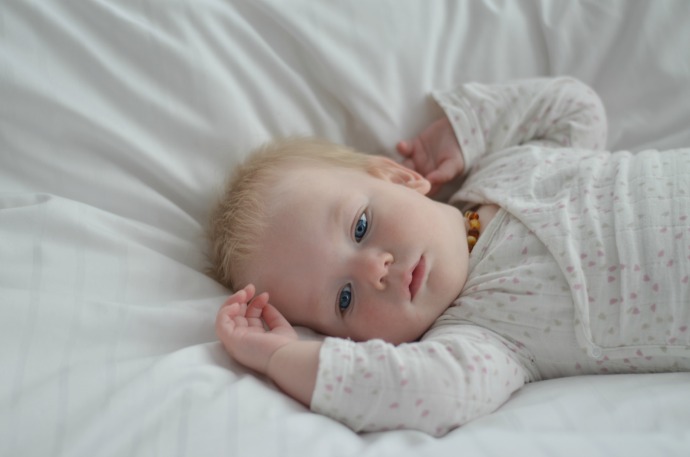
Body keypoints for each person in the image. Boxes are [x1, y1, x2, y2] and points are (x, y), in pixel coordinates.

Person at [207, 77, 690, 436]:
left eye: (360, 227)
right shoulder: (484, 336)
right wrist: (283, 358)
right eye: (345, 299)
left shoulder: (507, 165)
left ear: (400, 177)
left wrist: (464, 134)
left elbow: (576, 110)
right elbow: (427, 391)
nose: (374, 269)